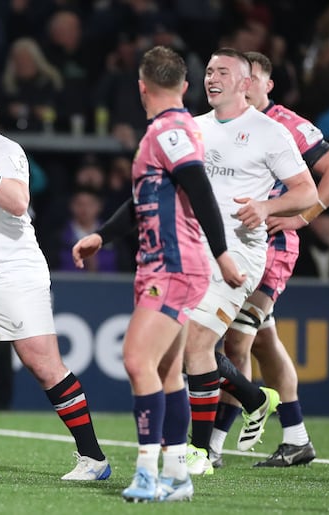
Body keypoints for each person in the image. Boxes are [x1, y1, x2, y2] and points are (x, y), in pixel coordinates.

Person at [73, 45, 243, 502]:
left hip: (171, 266)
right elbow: (149, 198)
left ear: (142, 87)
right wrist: (102, 237)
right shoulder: (176, 130)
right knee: (168, 373)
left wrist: (224, 253)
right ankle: (176, 475)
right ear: (185, 86)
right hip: (167, 265)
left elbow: (197, 185)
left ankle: (148, 473)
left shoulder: (169, 131)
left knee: (136, 360)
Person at [0, 78, 111, 481]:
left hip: (11, 269)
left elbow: (19, 202)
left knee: (42, 364)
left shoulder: (4, 149)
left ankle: (94, 459)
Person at [208, 50, 329, 468]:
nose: (244, 84)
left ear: (267, 85)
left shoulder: (286, 124)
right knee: (265, 343)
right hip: (236, 243)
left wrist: (302, 218)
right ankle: (297, 437)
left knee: (237, 339)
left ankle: (212, 445)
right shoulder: (224, 122)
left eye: (251, 78)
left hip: (271, 247)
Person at [183, 48, 318, 475]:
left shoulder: (272, 130)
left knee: (206, 344)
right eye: (207, 71)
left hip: (241, 253)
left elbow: (309, 192)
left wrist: (267, 206)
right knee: (183, 346)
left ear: (247, 82)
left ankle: (202, 450)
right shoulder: (193, 128)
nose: (211, 78)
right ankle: (256, 398)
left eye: (223, 71)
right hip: (193, 249)